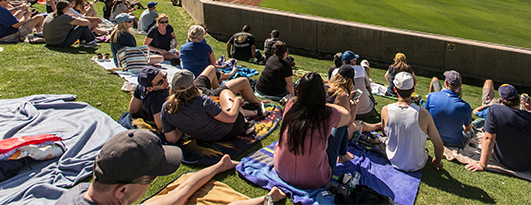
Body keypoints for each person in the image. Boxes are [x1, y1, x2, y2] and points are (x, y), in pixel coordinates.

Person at [55, 129, 286, 205]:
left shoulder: (77, 193)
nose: (154, 182)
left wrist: (218, 168)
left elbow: (178, 196)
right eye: (152, 179)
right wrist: (265, 200)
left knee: (182, 190)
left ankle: (219, 166)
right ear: (122, 191)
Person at [274, 71, 351, 189]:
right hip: (314, 179)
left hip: (282, 170)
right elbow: (347, 116)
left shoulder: (291, 104)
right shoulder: (328, 114)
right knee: (340, 127)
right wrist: (326, 105)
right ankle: (343, 155)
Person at [466, 84, 531, 173]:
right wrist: (530, 111)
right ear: (518, 98)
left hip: (507, 161)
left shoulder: (495, 111)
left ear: (501, 100)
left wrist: (482, 165)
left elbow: (489, 138)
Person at [161, 70, 250, 144]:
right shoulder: (202, 101)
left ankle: (252, 115)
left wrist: (183, 124)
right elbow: (231, 119)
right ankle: (248, 120)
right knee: (225, 93)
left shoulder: (167, 108)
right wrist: (237, 102)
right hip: (228, 132)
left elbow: (172, 139)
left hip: (202, 138)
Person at [380, 72, 444, 171]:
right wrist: (437, 161)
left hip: (393, 159)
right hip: (417, 164)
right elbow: (439, 146)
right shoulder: (424, 114)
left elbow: (385, 132)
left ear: (395, 89)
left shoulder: (385, 110)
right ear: (413, 90)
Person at [425, 70, 474, 149]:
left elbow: (425, 116)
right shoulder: (465, 106)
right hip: (455, 143)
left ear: (446, 82)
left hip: (433, 137)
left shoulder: (432, 96)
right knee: (473, 129)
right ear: (460, 86)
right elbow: (468, 129)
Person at [325, 65, 360, 162]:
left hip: (319, 125)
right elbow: (348, 121)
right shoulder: (341, 95)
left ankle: (343, 154)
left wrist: (348, 101)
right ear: (348, 80)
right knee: (342, 123)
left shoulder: (326, 85)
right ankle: (342, 155)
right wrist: (355, 106)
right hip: (328, 132)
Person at [337, 51, 375, 119]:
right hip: (361, 111)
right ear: (352, 62)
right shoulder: (360, 69)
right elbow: (368, 84)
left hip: (345, 110)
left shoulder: (336, 72)